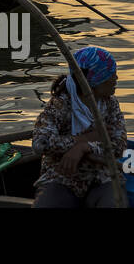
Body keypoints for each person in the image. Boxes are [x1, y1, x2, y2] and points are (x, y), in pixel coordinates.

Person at [32, 46, 127, 208]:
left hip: (103, 178)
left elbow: (119, 146)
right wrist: (82, 139)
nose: (116, 78)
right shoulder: (60, 104)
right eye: (110, 74)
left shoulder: (110, 104)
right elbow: (41, 144)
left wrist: (85, 147)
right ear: (95, 80)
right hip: (62, 178)